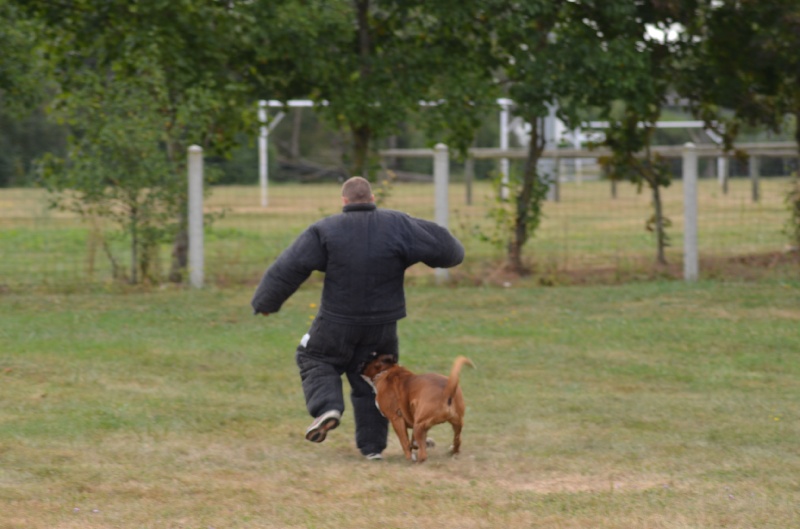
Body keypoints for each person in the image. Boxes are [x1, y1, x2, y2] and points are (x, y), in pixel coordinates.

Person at [251, 176, 464, 460]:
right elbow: (449, 252)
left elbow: (290, 266)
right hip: (382, 325)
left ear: (344, 202)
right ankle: (372, 448)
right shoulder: (398, 225)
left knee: (314, 357)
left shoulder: (326, 229)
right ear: (373, 199)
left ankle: (328, 407)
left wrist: (266, 301)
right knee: (378, 381)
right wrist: (418, 231)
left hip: (337, 321)